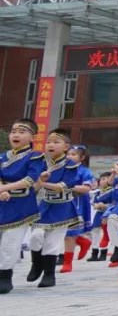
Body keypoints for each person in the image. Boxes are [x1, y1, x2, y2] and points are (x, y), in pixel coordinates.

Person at [28, 128, 89, 289]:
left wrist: (43, 182)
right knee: (35, 235)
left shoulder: (70, 165)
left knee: (53, 242)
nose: (51, 145)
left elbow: (65, 185)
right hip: (44, 205)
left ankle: (49, 274)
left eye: (56, 142)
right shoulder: (41, 163)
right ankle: (36, 264)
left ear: (66, 146)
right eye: (48, 142)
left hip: (63, 207)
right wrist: (37, 183)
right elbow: (33, 187)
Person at [0, 119, 46, 294]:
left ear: (33, 136)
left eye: (22, 131)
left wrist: (5, 188)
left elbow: (29, 180)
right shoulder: (3, 157)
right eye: (13, 131)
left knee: (10, 242)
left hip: (22, 206)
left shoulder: (35, 156)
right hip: (2, 202)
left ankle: (5, 276)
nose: (16, 135)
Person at [62, 144, 95, 273]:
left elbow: (87, 188)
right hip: (60, 201)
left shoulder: (84, 171)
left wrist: (69, 187)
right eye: (68, 154)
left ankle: (67, 262)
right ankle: (82, 241)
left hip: (77, 202)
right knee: (60, 231)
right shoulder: (62, 169)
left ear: (82, 158)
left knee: (69, 233)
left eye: (73, 154)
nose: (69, 157)